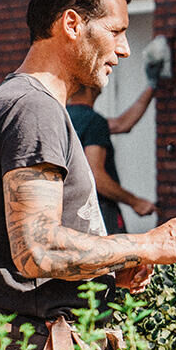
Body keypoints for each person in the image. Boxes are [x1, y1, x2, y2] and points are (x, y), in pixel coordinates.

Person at [0, 0, 176, 350]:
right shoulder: (33, 109)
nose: (125, 49)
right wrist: (148, 244)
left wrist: (114, 266)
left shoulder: (29, 104)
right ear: (71, 24)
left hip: (34, 346)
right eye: (115, 31)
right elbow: (38, 249)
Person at [67, 76, 157, 235]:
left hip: (71, 213)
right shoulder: (94, 121)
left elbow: (122, 124)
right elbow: (96, 177)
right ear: (91, 85)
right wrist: (135, 202)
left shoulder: (64, 117)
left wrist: (152, 86)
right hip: (99, 212)